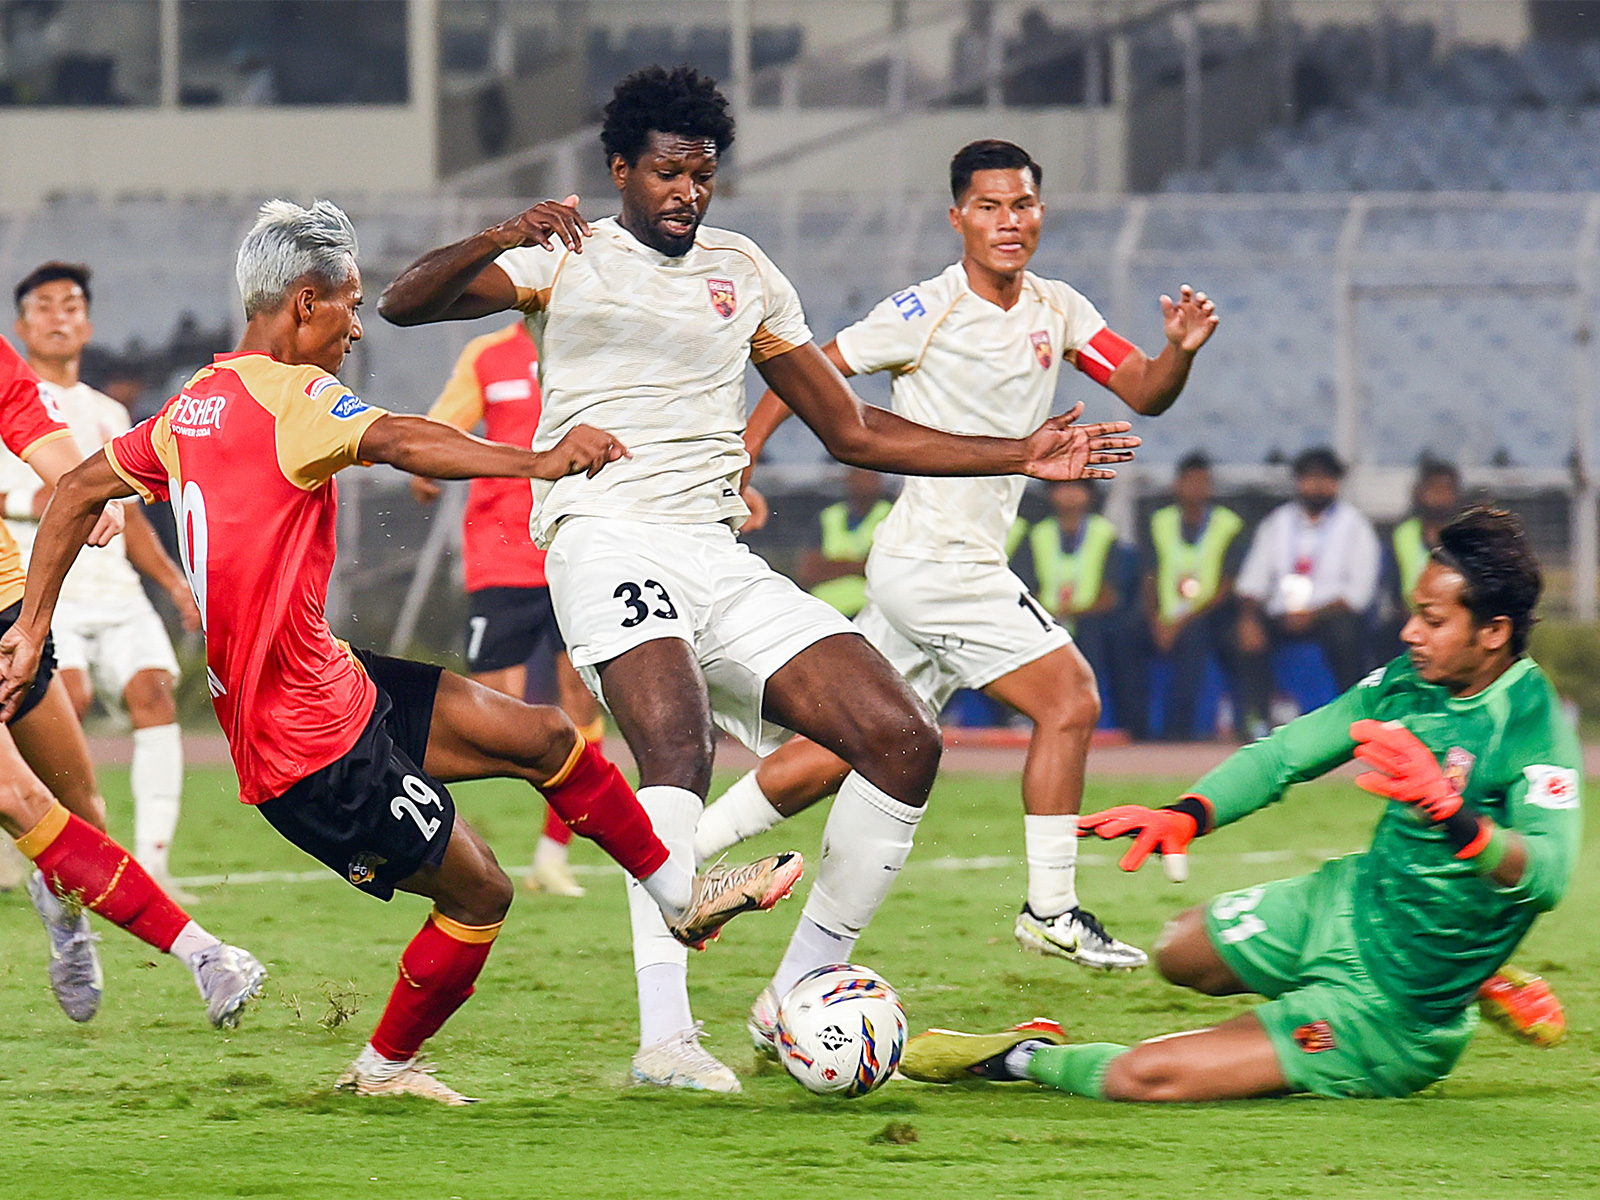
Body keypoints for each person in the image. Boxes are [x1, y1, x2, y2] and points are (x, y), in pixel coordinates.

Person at [379, 75, 1140, 1092]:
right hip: (603, 538)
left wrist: (1017, 451)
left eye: (702, 173)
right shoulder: (564, 261)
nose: (688, 191)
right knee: (677, 738)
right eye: (666, 172)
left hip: (714, 551)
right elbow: (401, 302)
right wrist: (499, 233)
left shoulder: (745, 271)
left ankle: (796, 997)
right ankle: (665, 1042)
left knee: (903, 738)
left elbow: (853, 427)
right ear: (619, 172)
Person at [0, 199, 799, 1106]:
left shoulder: (196, 403)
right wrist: (537, 462)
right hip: (310, 752)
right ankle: (382, 1068)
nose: (357, 322)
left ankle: (676, 894)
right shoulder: (294, 396)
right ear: (304, 304)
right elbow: (400, 438)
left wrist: (29, 627)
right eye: (348, 302)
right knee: (481, 894)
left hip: (333, 686)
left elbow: (73, 490)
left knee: (542, 736)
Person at [692, 136, 1215, 977]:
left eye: (1023, 205)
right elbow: (813, 372)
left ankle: (680, 852)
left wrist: (1181, 352)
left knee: (849, 746)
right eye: (989, 206)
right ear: (957, 218)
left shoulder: (1059, 310)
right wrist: (747, 455)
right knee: (1071, 701)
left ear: (1040, 212)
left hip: (932, 565)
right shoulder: (922, 310)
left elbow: (1146, 389)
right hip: (939, 566)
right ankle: (1050, 909)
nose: (1009, 222)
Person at [899, 508, 1580, 1101]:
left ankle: (1019, 1055)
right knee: (1179, 952)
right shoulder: (1413, 680)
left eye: (1432, 620)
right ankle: (1477, 969)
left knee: (1144, 1078)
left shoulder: (1529, 725)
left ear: (1492, 632)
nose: (1409, 632)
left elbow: (1547, 873)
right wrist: (1185, 815)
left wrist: (1454, 816)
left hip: (1389, 1013)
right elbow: (1287, 754)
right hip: (1343, 906)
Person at [0, 332, 263, 1029]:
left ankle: (62, 906)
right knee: (17, 796)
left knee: (82, 812)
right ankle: (206, 954)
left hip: (4, 609)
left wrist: (84, 488)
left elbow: (41, 438)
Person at [1, 261, 201, 901]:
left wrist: (170, 581)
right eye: (44, 306)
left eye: (71, 305)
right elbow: (35, 488)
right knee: (68, 707)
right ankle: (30, 847)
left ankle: (150, 866)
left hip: (112, 593)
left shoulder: (108, 412)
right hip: (37, 593)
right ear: (22, 324)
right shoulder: (15, 389)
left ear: (88, 323)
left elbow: (129, 512)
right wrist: (60, 500)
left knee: (153, 693)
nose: (59, 317)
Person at [410, 320, 603, 898]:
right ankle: (420, 836)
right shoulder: (488, 355)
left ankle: (551, 855)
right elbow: (441, 426)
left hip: (578, 552)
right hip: (500, 557)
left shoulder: (593, 348)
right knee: (490, 719)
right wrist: (425, 466)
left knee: (584, 699)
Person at [1235, 446, 1379, 732]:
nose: (1316, 485)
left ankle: (1351, 719)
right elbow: (1252, 581)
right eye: (1309, 478)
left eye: (1324, 478)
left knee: (1346, 634)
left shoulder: (1355, 527)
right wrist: (1249, 618)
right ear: (1298, 481)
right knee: (1243, 633)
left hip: (1329, 615)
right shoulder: (1277, 523)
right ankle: (1257, 720)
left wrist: (1311, 615)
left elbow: (1357, 595)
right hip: (1281, 614)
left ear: (1336, 483)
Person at [1132, 451, 1245, 740]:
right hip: (1163, 614)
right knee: (1124, 634)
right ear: (1176, 485)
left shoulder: (1228, 524)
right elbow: (1149, 574)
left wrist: (1181, 622)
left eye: (1202, 482)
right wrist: (1156, 620)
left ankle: (1179, 731)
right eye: (1189, 482)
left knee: (1195, 637)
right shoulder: (1159, 521)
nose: (1195, 488)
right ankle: (1134, 727)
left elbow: (1227, 584)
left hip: (1208, 614)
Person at [1020, 478, 1141, 736]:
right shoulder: (1038, 535)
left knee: (1102, 636)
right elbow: (1027, 587)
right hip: (1044, 621)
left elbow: (1111, 594)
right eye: (1062, 487)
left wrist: (1072, 614)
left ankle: (1105, 721)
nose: (1070, 495)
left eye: (1077, 487)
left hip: (1092, 619)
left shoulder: (1104, 534)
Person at [1380, 458, 1462, 653]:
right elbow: (1390, 584)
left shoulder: (1464, 536)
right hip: (1406, 619)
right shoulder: (1402, 534)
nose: (1438, 496)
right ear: (1419, 492)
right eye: (1433, 489)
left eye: (1445, 489)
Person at [800, 467, 891, 617]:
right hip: (827, 613)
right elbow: (809, 571)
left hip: (874, 615)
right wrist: (859, 565)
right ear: (847, 480)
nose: (863, 483)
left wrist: (832, 564)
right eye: (858, 476)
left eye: (870, 477)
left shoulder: (891, 516)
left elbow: (886, 569)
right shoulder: (829, 516)